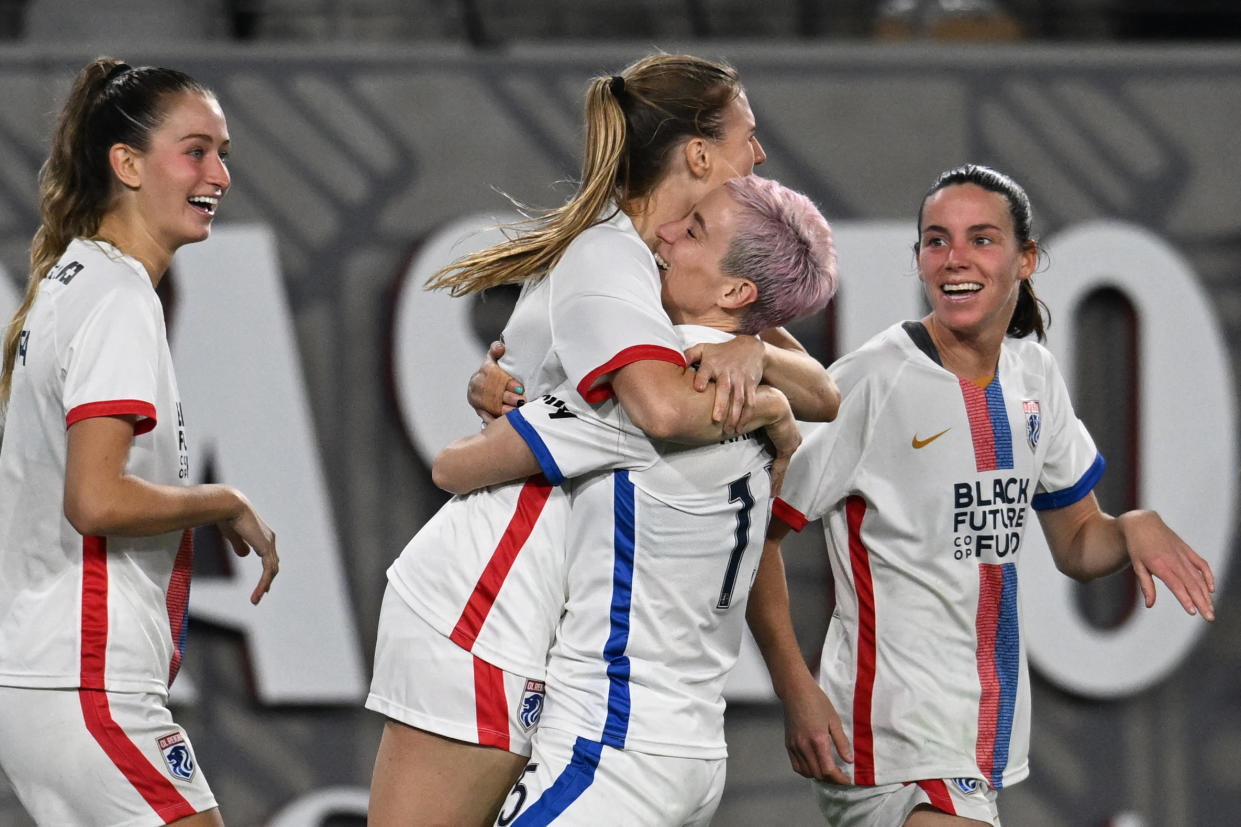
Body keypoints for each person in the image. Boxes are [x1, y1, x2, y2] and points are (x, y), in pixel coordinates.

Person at [367, 53, 839, 826]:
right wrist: (765, 409)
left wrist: (755, 356)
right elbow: (654, 411)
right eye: (747, 137)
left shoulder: (671, 276)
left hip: (545, 610)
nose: (757, 156)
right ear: (696, 154)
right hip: (491, 596)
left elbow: (823, 388)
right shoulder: (613, 259)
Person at [747, 163, 1216, 827]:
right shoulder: (871, 382)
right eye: (936, 240)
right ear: (916, 261)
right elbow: (755, 532)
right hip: (892, 738)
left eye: (980, 239)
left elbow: (1079, 540)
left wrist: (1131, 526)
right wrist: (795, 687)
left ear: (1025, 259)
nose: (954, 258)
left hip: (982, 738)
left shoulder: (1034, 375)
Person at [0, 57, 279, 827]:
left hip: (46, 677)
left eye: (224, 153)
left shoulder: (72, 280)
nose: (220, 174)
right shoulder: (118, 298)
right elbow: (95, 498)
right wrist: (224, 498)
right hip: (87, 679)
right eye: (196, 150)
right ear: (124, 163)